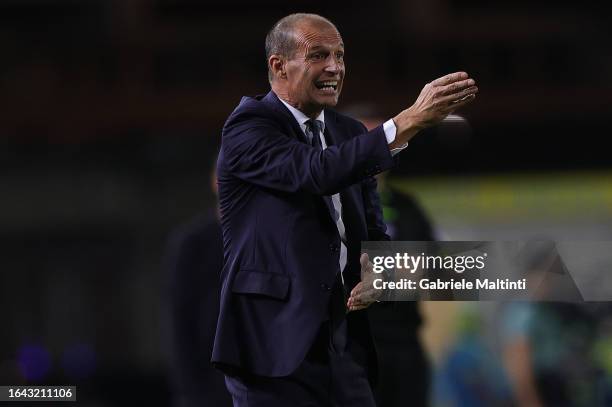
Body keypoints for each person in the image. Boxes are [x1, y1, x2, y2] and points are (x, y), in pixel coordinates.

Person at [212, 13, 477, 406]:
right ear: (278, 65)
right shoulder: (249, 126)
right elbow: (316, 172)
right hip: (271, 348)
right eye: (318, 55)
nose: (334, 67)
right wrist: (406, 122)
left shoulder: (349, 132)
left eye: (339, 55)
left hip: (343, 346)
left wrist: (376, 272)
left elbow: (372, 230)